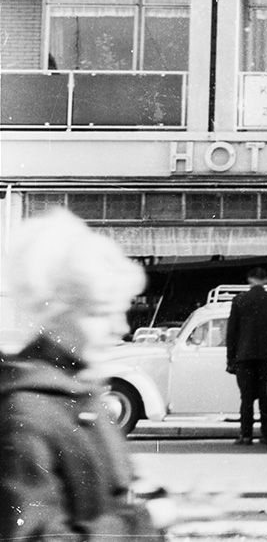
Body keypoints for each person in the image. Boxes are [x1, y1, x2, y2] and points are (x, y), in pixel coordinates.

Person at [0, 208, 169, 541]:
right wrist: (145, 520)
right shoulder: (27, 412)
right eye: (101, 312)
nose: (120, 328)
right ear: (56, 314)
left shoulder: (78, 392)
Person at [225, 267, 267, 446]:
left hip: (244, 356)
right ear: (265, 280)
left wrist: (231, 359)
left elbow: (232, 332)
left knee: (246, 398)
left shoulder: (240, 300)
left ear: (249, 279)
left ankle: (246, 435)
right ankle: (266, 435)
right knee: (266, 398)